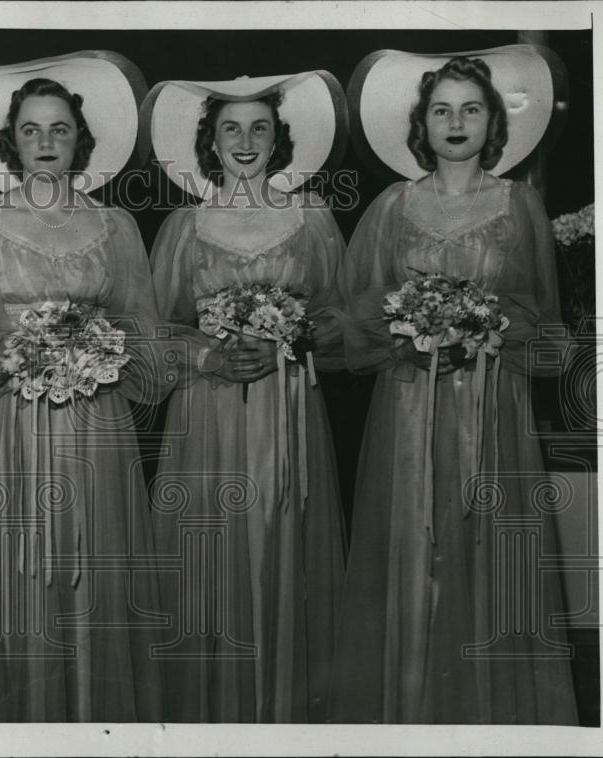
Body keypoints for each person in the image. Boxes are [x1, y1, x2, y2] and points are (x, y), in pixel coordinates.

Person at [332, 49, 578, 724]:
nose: (457, 122)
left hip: (491, 405)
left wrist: (487, 329)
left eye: (471, 109)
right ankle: (409, 705)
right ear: (423, 125)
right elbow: (357, 318)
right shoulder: (392, 206)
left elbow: (542, 320)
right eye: (442, 110)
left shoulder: (518, 203)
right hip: (409, 403)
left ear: (493, 122)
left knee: (486, 540)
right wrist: (408, 338)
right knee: (413, 540)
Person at [0, 52, 167, 722]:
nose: (47, 142)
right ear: (11, 143)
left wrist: (99, 352)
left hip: (95, 423)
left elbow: (141, 331)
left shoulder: (115, 226)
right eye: (32, 130)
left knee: (96, 568)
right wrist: (18, 355)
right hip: (9, 423)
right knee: (12, 571)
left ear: (80, 141)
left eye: (60, 129)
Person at [143, 73, 349, 722]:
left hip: (288, 410)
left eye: (260, 127)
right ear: (210, 140)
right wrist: (209, 353)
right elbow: (155, 330)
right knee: (212, 556)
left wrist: (292, 339)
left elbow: (344, 319)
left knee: (284, 548)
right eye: (230, 128)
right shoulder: (184, 225)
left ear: (279, 139)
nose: (245, 140)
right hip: (205, 413)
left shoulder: (312, 218)